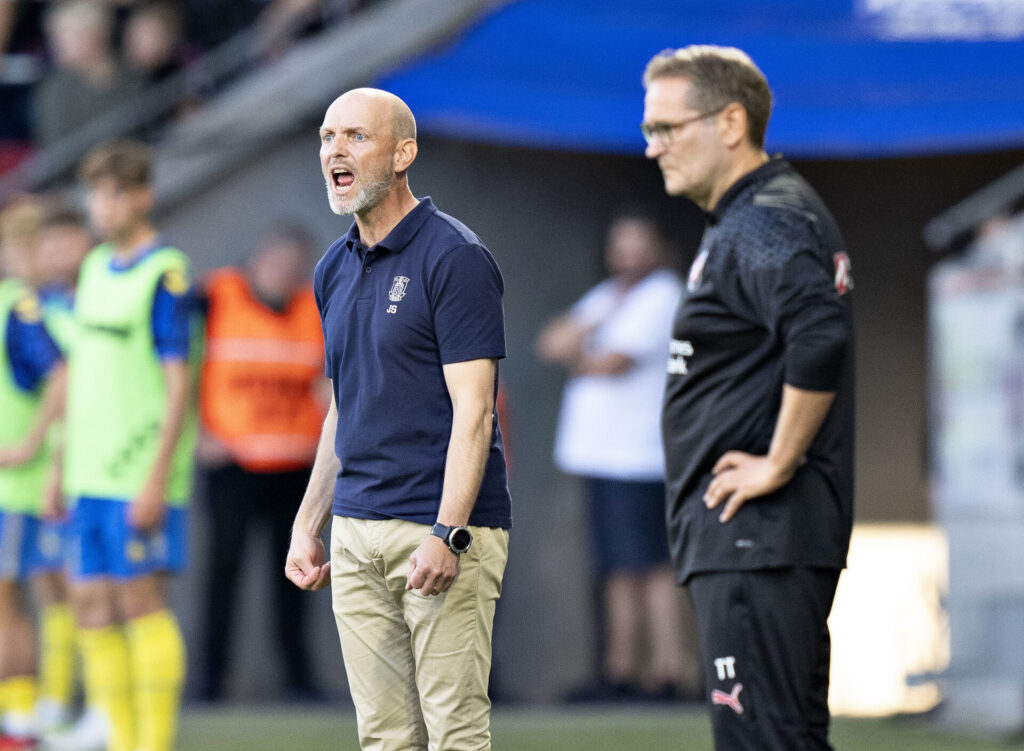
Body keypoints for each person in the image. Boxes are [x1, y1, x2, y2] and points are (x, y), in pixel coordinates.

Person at [285, 88, 511, 751]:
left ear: (403, 152)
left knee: (455, 734)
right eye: (327, 137)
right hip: (356, 530)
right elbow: (342, 409)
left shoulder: (455, 256)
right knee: (384, 737)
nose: (334, 151)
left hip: (439, 526)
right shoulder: (332, 267)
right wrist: (308, 523)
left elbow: (476, 408)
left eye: (354, 136)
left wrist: (450, 531)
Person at [643, 46, 855, 750]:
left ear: (731, 122)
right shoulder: (755, 215)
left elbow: (819, 335)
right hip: (756, 541)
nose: (654, 148)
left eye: (669, 128)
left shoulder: (764, 218)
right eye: (650, 131)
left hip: (756, 534)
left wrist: (777, 461)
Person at [59, 140, 198, 751]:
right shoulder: (91, 269)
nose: (101, 206)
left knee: (140, 601)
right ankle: (118, 740)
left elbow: (178, 386)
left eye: (114, 192)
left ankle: (153, 743)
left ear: (142, 196)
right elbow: (84, 377)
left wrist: (156, 478)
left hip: (137, 473)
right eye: (94, 193)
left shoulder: (165, 274)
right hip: (86, 474)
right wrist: (62, 462)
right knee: (88, 601)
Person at [536, 210, 690, 702]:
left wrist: (579, 353)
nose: (628, 255)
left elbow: (610, 362)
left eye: (638, 244)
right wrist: (581, 344)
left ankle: (666, 671)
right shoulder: (609, 296)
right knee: (615, 567)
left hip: (637, 455)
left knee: (648, 566)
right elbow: (549, 342)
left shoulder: (662, 294)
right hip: (602, 455)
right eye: (620, 244)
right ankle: (620, 669)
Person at [196, 222, 328, 703]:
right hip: (233, 463)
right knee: (222, 575)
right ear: (257, 259)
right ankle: (211, 682)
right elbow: (176, 362)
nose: (282, 272)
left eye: (293, 266)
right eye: (276, 261)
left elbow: (325, 381)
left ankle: (298, 681)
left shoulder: (313, 311)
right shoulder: (215, 298)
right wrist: (197, 429)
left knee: (295, 577)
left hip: (295, 466)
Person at [0, 196, 67, 751]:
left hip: (17, 487)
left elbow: (60, 378)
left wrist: (28, 444)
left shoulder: (22, 308)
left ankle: (23, 722)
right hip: (16, 486)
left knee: (15, 601)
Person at [33, 1, 145, 148]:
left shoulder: (135, 81)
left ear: (97, 34)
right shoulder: (54, 90)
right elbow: (57, 154)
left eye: (66, 35)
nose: (57, 46)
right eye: (55, 37)